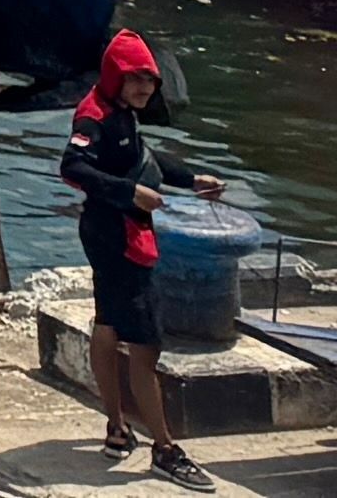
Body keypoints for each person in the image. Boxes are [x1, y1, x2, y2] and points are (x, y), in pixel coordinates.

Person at [58, 29, 225, 478]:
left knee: (108, 326)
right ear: (115, 76)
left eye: (149, 81)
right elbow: (72, 167)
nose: (144, 88)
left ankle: (116, 428)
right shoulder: (94, 117)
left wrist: (191, 180)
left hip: (108, 230)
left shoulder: (121, 113)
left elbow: (145, 159)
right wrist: (131, 194)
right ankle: (165, 449)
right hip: (116, 237)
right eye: (135, 79)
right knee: (146, 346)